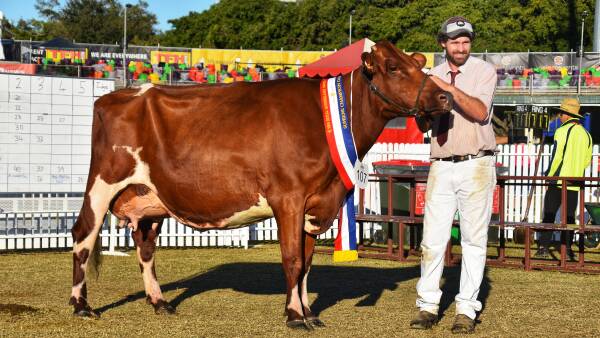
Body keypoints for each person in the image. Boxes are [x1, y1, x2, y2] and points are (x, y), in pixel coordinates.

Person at [410, 16, 497, 334]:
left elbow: (479, 112)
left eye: (466, 41)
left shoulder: (483, 71)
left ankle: (466, 310)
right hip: (442, 163)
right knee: (432, 240)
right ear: (442, 44)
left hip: (477, 163)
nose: (461, 47)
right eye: (455, 41)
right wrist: (421, 109)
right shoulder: (428, 75)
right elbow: (422, 124)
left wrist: (444, 85)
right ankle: (427, 305)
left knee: (474, 241)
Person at [534, 98, 592, 258]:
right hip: (575, 181)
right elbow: (587, 160)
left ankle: (543, 247)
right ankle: (567, 249)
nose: (559, 116)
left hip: (559, 180)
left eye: (561, 113)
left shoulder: (561, 131)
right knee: (570, 217)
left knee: (549, 214)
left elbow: (556, 158)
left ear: (567, 114)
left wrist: (549, 177)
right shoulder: (587, 135)